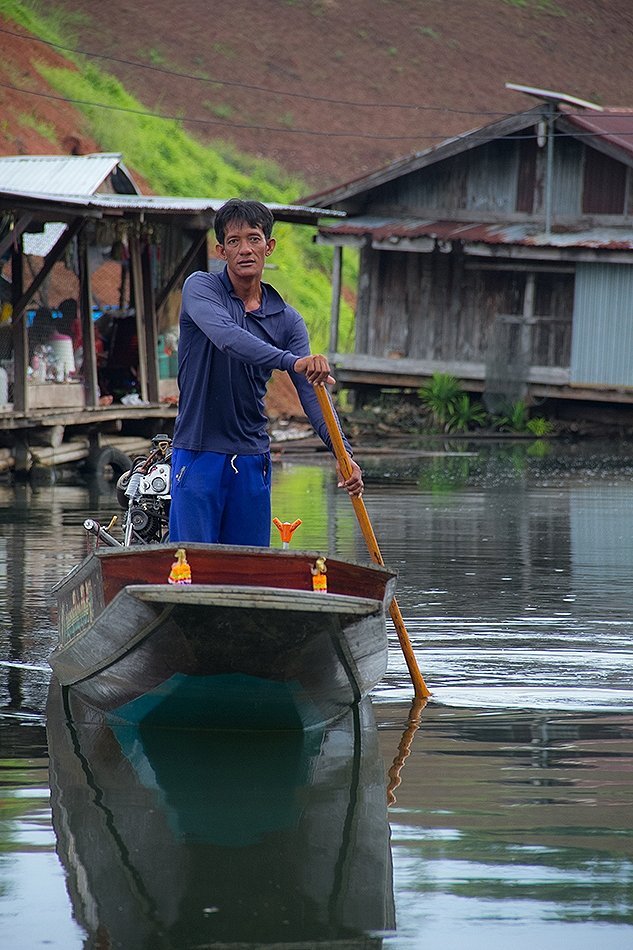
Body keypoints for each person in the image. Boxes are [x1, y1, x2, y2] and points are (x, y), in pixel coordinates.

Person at [169, 197, 363, 546]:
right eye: (234, 241)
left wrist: (343, 454)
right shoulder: (201, 289)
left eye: (254, 239)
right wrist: (292, 362)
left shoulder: (287, 320)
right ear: (220, 250)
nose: (245, 249)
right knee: (191, 567)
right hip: (198, 454)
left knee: (248, 574)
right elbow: (229, 339)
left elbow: (312, 395)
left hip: (251, 458)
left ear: (268, 246)